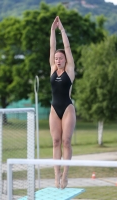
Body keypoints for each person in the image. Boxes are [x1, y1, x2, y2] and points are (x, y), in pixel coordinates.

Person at [49, 16, 76, 189]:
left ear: (66, 60)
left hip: (67, 108)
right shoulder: (52, 68)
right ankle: (56, 175)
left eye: (61, 58)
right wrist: (52, 31)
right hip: (54, 109)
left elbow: (66, 46)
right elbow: (52, 47)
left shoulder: (70, 70)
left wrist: (62, 30)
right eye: (56, 58)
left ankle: (65, 175)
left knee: (66, 141)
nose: (58, 60)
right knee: (56, 142)